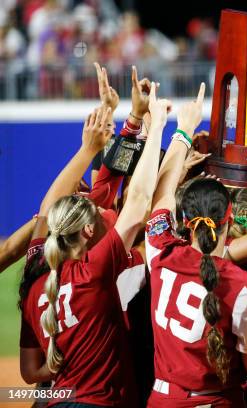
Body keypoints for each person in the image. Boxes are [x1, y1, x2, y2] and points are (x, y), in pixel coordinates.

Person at [19, 82, 167, 406]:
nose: (99, 200)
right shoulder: (103, 264)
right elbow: (133, 198)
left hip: (56, 395)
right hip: (107, 394)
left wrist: (129, 120)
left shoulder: (37, 269)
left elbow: (55, 208)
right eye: (90, 201)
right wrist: (156, 128)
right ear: (88, 230)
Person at [145, 83, 247, 407]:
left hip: (163, 400)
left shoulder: (161, 253)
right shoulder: (242, 285)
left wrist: (183, 130)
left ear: (185, 221)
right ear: (229, 222)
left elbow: (162, 195)